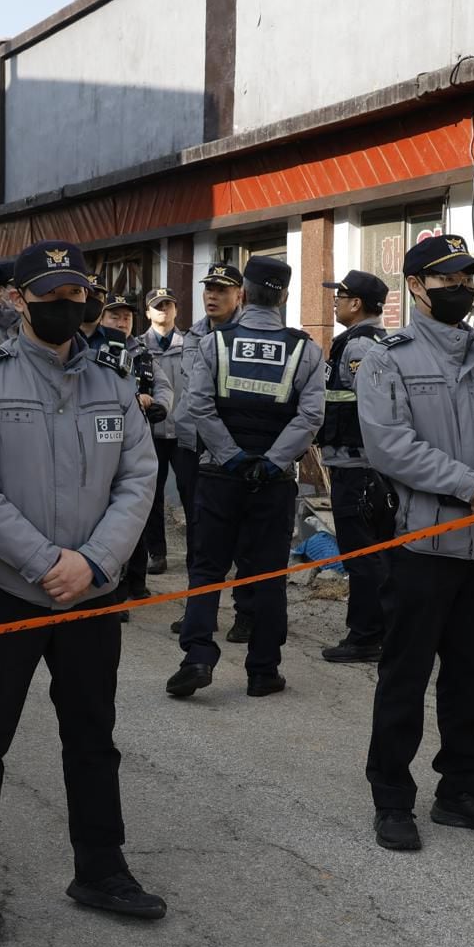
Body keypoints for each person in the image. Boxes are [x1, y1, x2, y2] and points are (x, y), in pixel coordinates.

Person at [0, 240, 163, 943]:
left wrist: (94, 564)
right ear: (18, 298)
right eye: (50, 293)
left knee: (93, 737)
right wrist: (46, 563)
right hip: (9, 591)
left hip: (91, 595)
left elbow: (138, 477)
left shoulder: (112, 382)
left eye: (77, 293)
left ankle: (100, 867)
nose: (67, 305)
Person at [358, 234, 474, 852]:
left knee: (472, 677)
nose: (461, 288)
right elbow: (389, 445)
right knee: (405, 677)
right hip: (421, 547)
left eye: (469, 278)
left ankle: (460, 789)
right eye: (447, 279)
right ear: (416, 287)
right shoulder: (389, 359)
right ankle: (391, 797)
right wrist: (473, 486)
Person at [165, 256, 325, 700]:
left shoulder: (215, 344)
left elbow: (198, 405)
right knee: (268, 573)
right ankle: (262, 670)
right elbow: (311, 416)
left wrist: (232, 456)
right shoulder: (304, 350)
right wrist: (272, 461)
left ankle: (197, 656)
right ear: (285, 297)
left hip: (219, 475)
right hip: (272, 482)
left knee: (208, 568)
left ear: (246, 295)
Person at [318, 269, 397, 664]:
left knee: (363, 554)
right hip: (365, 466)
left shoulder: (359, 347)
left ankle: (367, 636)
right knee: (376, 551)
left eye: (341, 296)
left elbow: (373, 406)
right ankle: (379, 630)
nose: (335, 302)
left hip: (359, 467)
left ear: (356, 304)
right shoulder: (374, 342)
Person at [168, 264, 246, 638]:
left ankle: (246, 614)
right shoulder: (193, 335)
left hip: (233, 449)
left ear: (240, 295)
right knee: (199, 532)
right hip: (192, 446)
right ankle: (200, 612)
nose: (212, 296)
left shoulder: (248, 335)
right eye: (209, 289)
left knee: (245, 534)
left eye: (222, 290)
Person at [93, 294, 168, 602]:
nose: (121, 321)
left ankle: (136, 580)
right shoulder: (91, 350)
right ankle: (113, 587)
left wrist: (159, 403)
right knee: (108, 514)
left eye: (126, 316)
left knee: (136, 511)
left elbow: (163, 386)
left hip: (138, 443)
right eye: (114, 316)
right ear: (101, 318)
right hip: (103, 445)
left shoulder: (142, 352)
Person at [138, 289, 186, 575]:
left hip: (183, 431)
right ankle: (156, 553)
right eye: (157, 307)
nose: (163, 311)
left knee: (191, 493)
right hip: (150, 434)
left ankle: (199, 551)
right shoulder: (137, 347)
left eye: (168, 305)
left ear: (176, 310)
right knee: (151, 496)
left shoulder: (192, 343)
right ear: (147, 312)